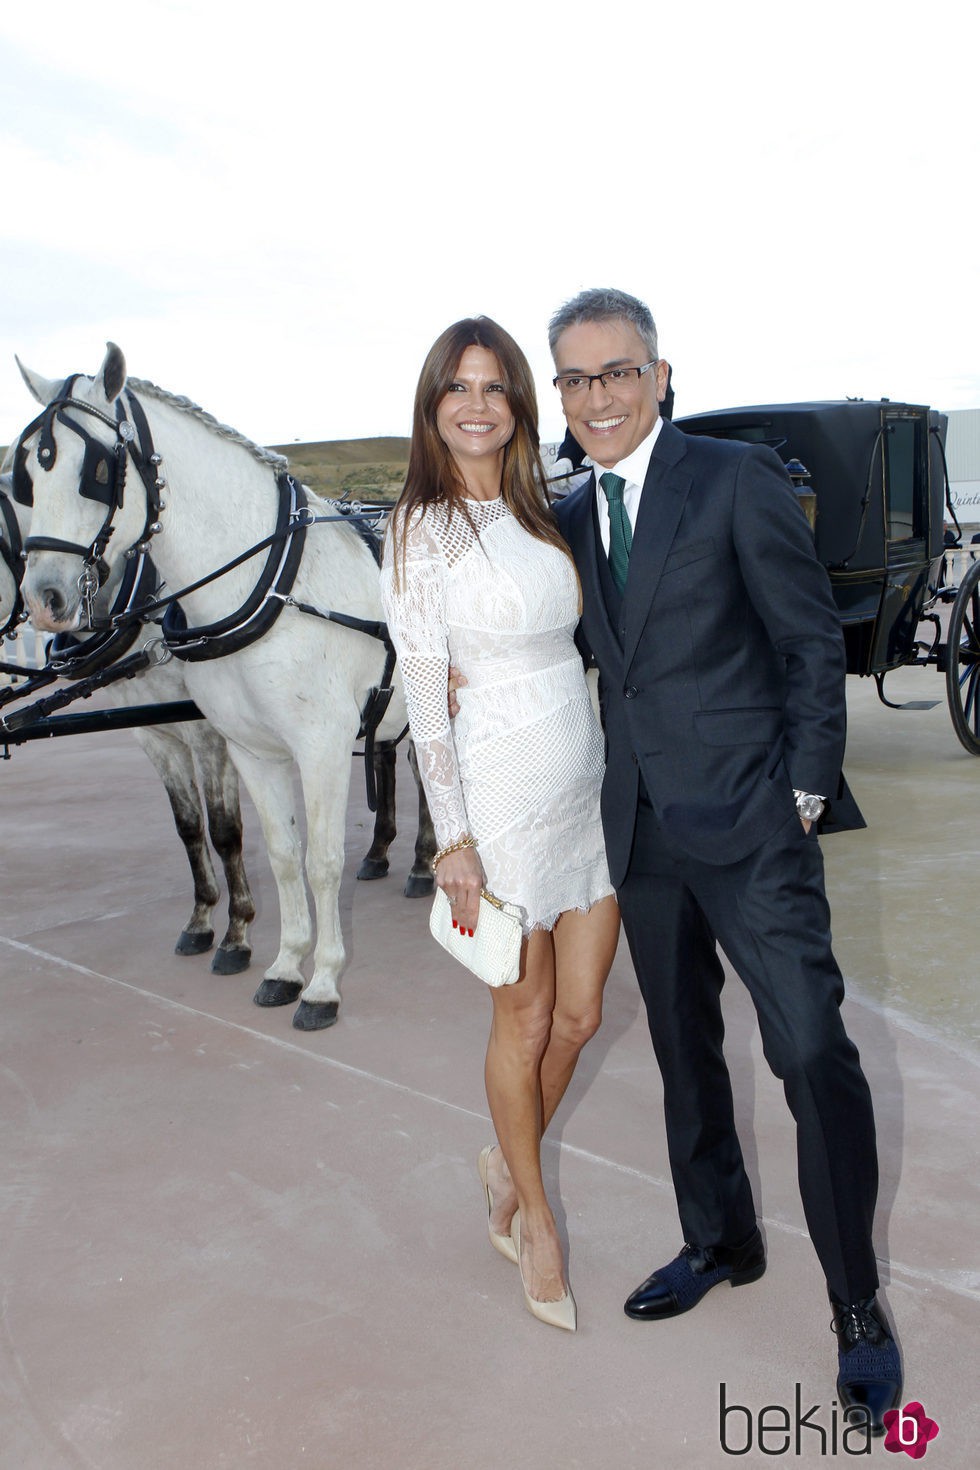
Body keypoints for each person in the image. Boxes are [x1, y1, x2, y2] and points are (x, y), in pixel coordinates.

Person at [545, 287, 902, 1433]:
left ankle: (854, 1304)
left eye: (616, 371)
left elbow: (808, 643)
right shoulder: (567, 514)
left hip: (753, 824)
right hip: (638, 828)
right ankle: (720, 1239)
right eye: (576, 378)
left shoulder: (734, 479)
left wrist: (799, 792)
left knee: (808, 1051)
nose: (597, 395)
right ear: (560, 396)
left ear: (659, 377)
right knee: (685, 1056)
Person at [380, 317, 620, 1333]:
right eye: (456, 388)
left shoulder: (540, 509)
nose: (476, 405)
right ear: (434, 406)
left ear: (517, 403)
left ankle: (502, 1154)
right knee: (519, 1020)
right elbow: (424, 695)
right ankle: (533, 1214)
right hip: (499, 800)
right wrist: (451, 839)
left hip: (584, 785)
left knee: (579, 1018)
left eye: (494, 387)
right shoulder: (417, 529)